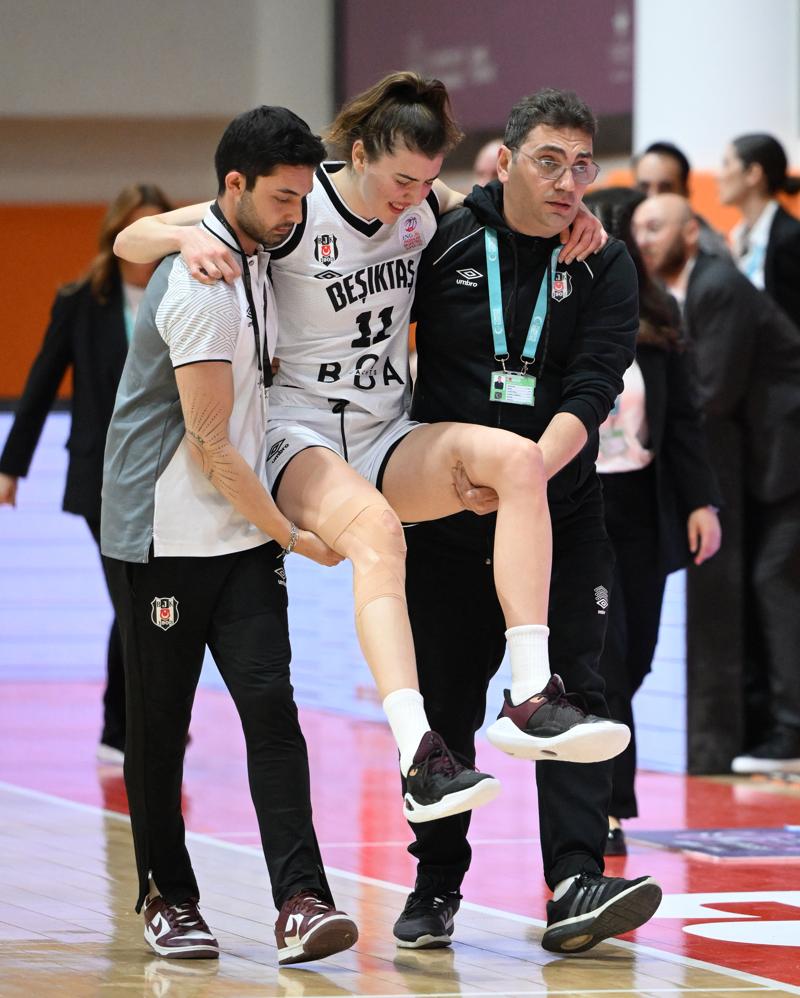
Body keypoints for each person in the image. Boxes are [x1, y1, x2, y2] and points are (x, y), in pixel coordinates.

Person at [114, 73, 629, 830]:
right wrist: (184, 235)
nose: (412, 197)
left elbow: (501, 209)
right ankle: (421, 756)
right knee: (381, 537)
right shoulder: (299, 205)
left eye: (425, 183)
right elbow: (129, 239)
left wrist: (578, 217)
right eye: (400, 181)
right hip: (300, 432)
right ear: (358, 156)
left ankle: (529, 694)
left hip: (387, 429)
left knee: (521, 462)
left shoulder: (423, 209)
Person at [393, 89, 662, 956]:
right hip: (448, 521)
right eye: (549, 161)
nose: (568, 182)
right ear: (504, 160)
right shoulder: (441, 238)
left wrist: (525, 481)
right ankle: (436, 885)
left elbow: (594, 386)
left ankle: (576, 879)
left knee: (575, 694)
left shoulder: (603, 263)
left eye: (583, 166)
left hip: (560, 515)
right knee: (445, 699)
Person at [101, 106, 358, 966]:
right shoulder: (203, 285)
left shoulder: (255, 245)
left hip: (238, 538)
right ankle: (168, 898)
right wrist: (291, 534)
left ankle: (302, 900)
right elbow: (211, 448)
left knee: (272, 714)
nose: (296, 215)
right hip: (164, 535)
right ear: (236, 185)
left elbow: (138, 233)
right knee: (159, 728)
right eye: (283, 198)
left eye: (303, 198)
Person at [0, 182, 173, 764]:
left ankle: (142, 725)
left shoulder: (187, 290)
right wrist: (10, 467)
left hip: (169, 475)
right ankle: (122, 729)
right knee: (132, 601)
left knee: (155, 602)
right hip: (101, 478)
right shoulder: (80, 300)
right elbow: (42, 380)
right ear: (117, 236)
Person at [632, 193, 800, 776]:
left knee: (774, 582)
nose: (644, 239)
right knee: (766, 585)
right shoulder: (688, 289)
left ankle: (790, 733)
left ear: (690, 233)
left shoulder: (717, 285)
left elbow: (712, 393)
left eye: (657, 227)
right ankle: (776, 728)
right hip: (768, 463)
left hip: (787, 458)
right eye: (639, 229)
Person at [584, 187, 721, 855]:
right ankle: (607, 810)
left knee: (635, 661)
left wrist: (701, 502)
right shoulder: (561, 317)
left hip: (644, 507)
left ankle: (597, 781)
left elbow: (686, 424)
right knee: (607, 662)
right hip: (583, 509)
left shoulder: (659, 323)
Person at [719, 133, 800, 329]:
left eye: (726, 164)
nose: (719, 176)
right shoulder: (739, 236)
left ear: (753, 173)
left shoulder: (790, 237)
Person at [633, 141, 730, 258]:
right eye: (643, 188)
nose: (652, 198)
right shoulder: (620, 235)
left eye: (665, 189)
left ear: (685, 193)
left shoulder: (709, 250)